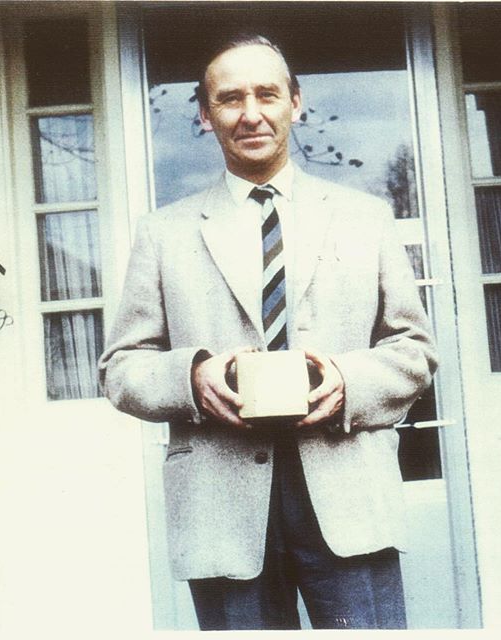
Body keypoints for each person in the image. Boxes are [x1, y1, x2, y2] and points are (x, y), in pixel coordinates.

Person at [98, 33, 438, 630]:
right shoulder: (165, 233)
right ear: (205, 116)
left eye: (267, 94)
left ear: (296, 103)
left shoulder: (365, 217)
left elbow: (415, 350)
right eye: (229, 99)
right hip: (220, 508)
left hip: (348, 493)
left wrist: (347, 379)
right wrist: (192, 377)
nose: (250, 113)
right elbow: (121, 367)